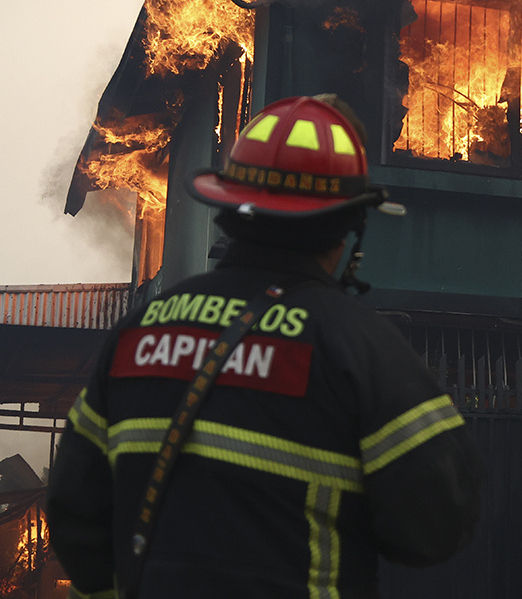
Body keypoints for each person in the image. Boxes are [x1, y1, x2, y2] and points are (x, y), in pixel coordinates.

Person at [47, 95, 484, 598]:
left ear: (231, 210)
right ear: (346, 231)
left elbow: (75, 510)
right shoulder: (361, 349)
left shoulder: (140, 332)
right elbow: (436, 528)